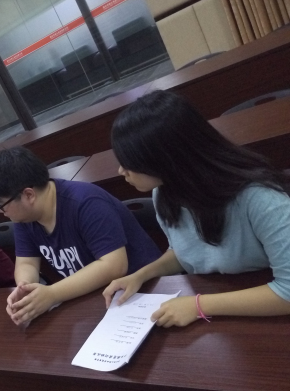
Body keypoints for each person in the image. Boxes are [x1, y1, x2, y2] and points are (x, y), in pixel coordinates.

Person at [103, 90, 290, 327]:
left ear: (164, 159)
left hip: (269, 314)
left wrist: (199, 306)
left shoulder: (260, 199)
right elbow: (186, 252)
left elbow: (287, 292)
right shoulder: (164, 192)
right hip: (225, 310)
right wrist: (141, 275)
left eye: (128, 162)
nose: (121, 171)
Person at [0, 146, 161, 327]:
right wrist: (25, 288)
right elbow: (27, 262)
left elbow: (114, 265)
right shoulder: (25, 217)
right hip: (96, 298)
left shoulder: (85, 203)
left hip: (146, 290)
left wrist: (52, 293)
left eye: (1, 204)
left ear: (29, 195)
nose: (0, 211)